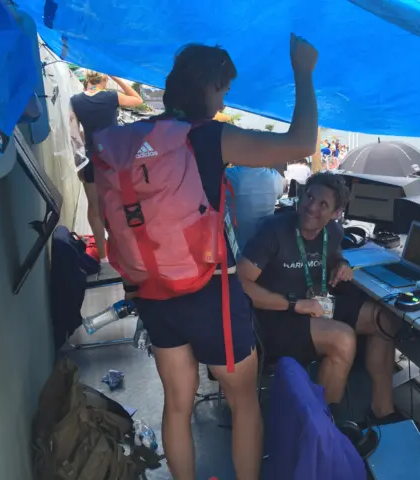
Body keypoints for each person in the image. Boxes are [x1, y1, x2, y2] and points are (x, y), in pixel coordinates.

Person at [129, 34, 319, 480]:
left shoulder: (138, 137)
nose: (223, 99)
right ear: (209, 86)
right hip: (210, 290)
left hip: (155, 288)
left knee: (177, 401)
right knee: (244, 398)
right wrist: (304, 72)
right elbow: (301, 144)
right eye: (223, 90)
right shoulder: (209, 137)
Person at [238, 172, 403, 426]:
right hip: (273, 317)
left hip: (313, 306)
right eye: (309, 196)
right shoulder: (274, 231)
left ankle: (382, 409)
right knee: (343, 339)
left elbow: (333, 255)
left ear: (336, 213)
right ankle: (319, 431)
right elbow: (240, 283)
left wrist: (342, 264)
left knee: (383, 319)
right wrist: (293, 304)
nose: (311, 207)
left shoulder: (333, 232)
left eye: (323, 204)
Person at [71, 71, 143, 260]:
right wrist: (118, 77)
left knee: (95, 207)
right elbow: (137, 100)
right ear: (105, 79)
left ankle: (102, 256)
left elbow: (74, 136)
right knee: (118, 204)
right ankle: (121, 249)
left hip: (89, 159)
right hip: (113, 160)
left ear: (87, 79)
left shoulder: (75, 100)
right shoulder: (111, 97)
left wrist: (79, 165)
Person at [225, 164, 286, 251]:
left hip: (237, 249)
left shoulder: (230, 174)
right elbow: (284, 184)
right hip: (266, 247)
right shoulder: (274, 177)